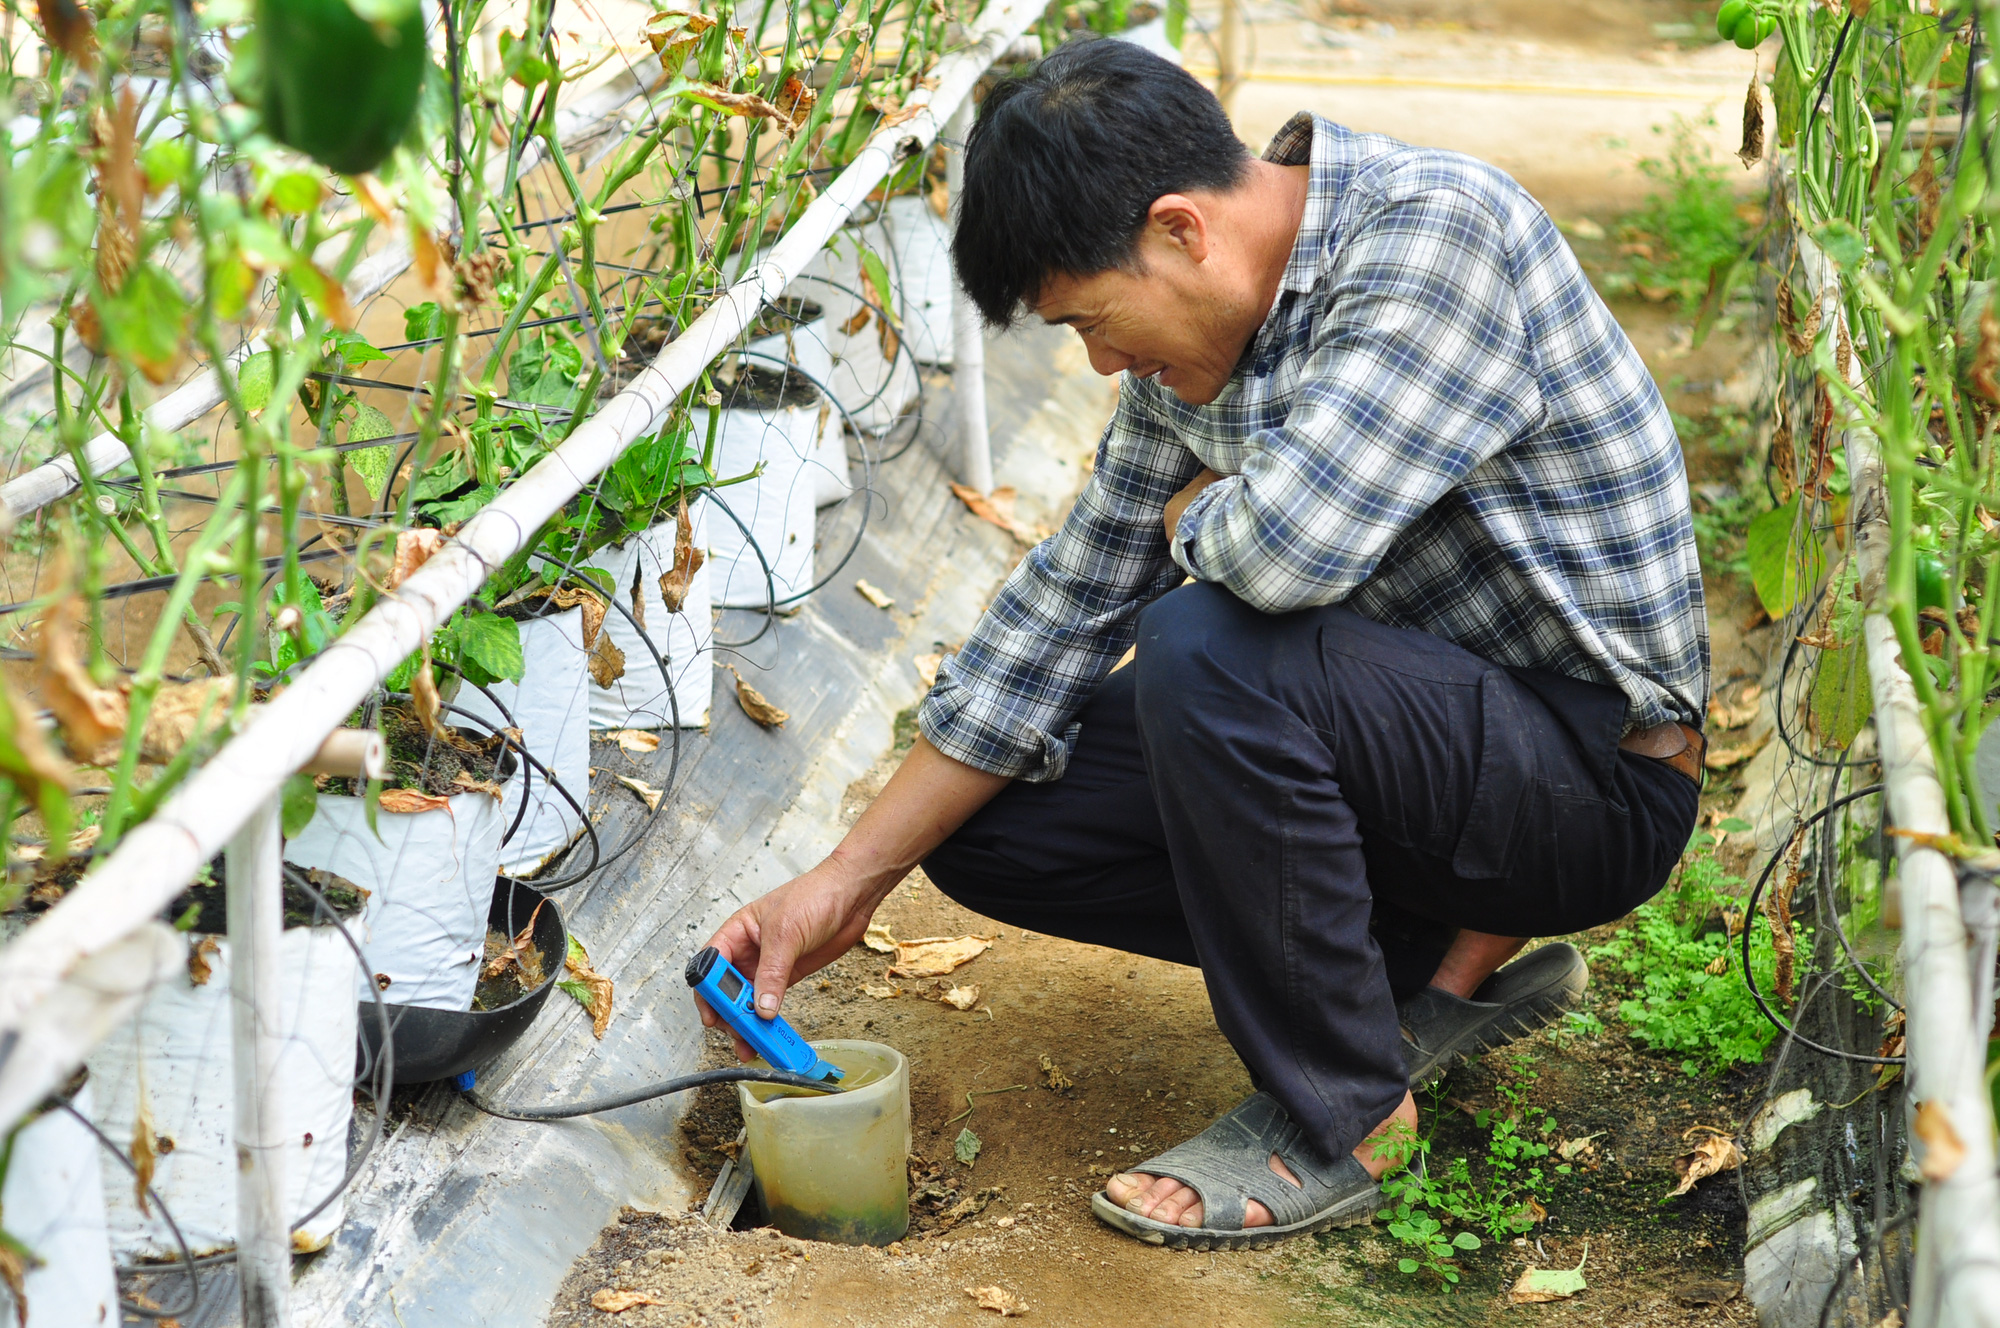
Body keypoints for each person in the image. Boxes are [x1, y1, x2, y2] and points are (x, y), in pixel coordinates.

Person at [699, 37, 1707, 1250]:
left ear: (1181, 229)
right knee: (998, 821)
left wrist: (1192, 517)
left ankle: (1342, 1109)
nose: (1103, 363)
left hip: (1587, 785)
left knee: (1208, 646)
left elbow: (1283, 556)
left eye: (1092, 321)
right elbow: (1064, 608)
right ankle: (1415, 960)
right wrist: (845, 881)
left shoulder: (1436, 241)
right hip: (1427, 762)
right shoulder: (1199, 350)